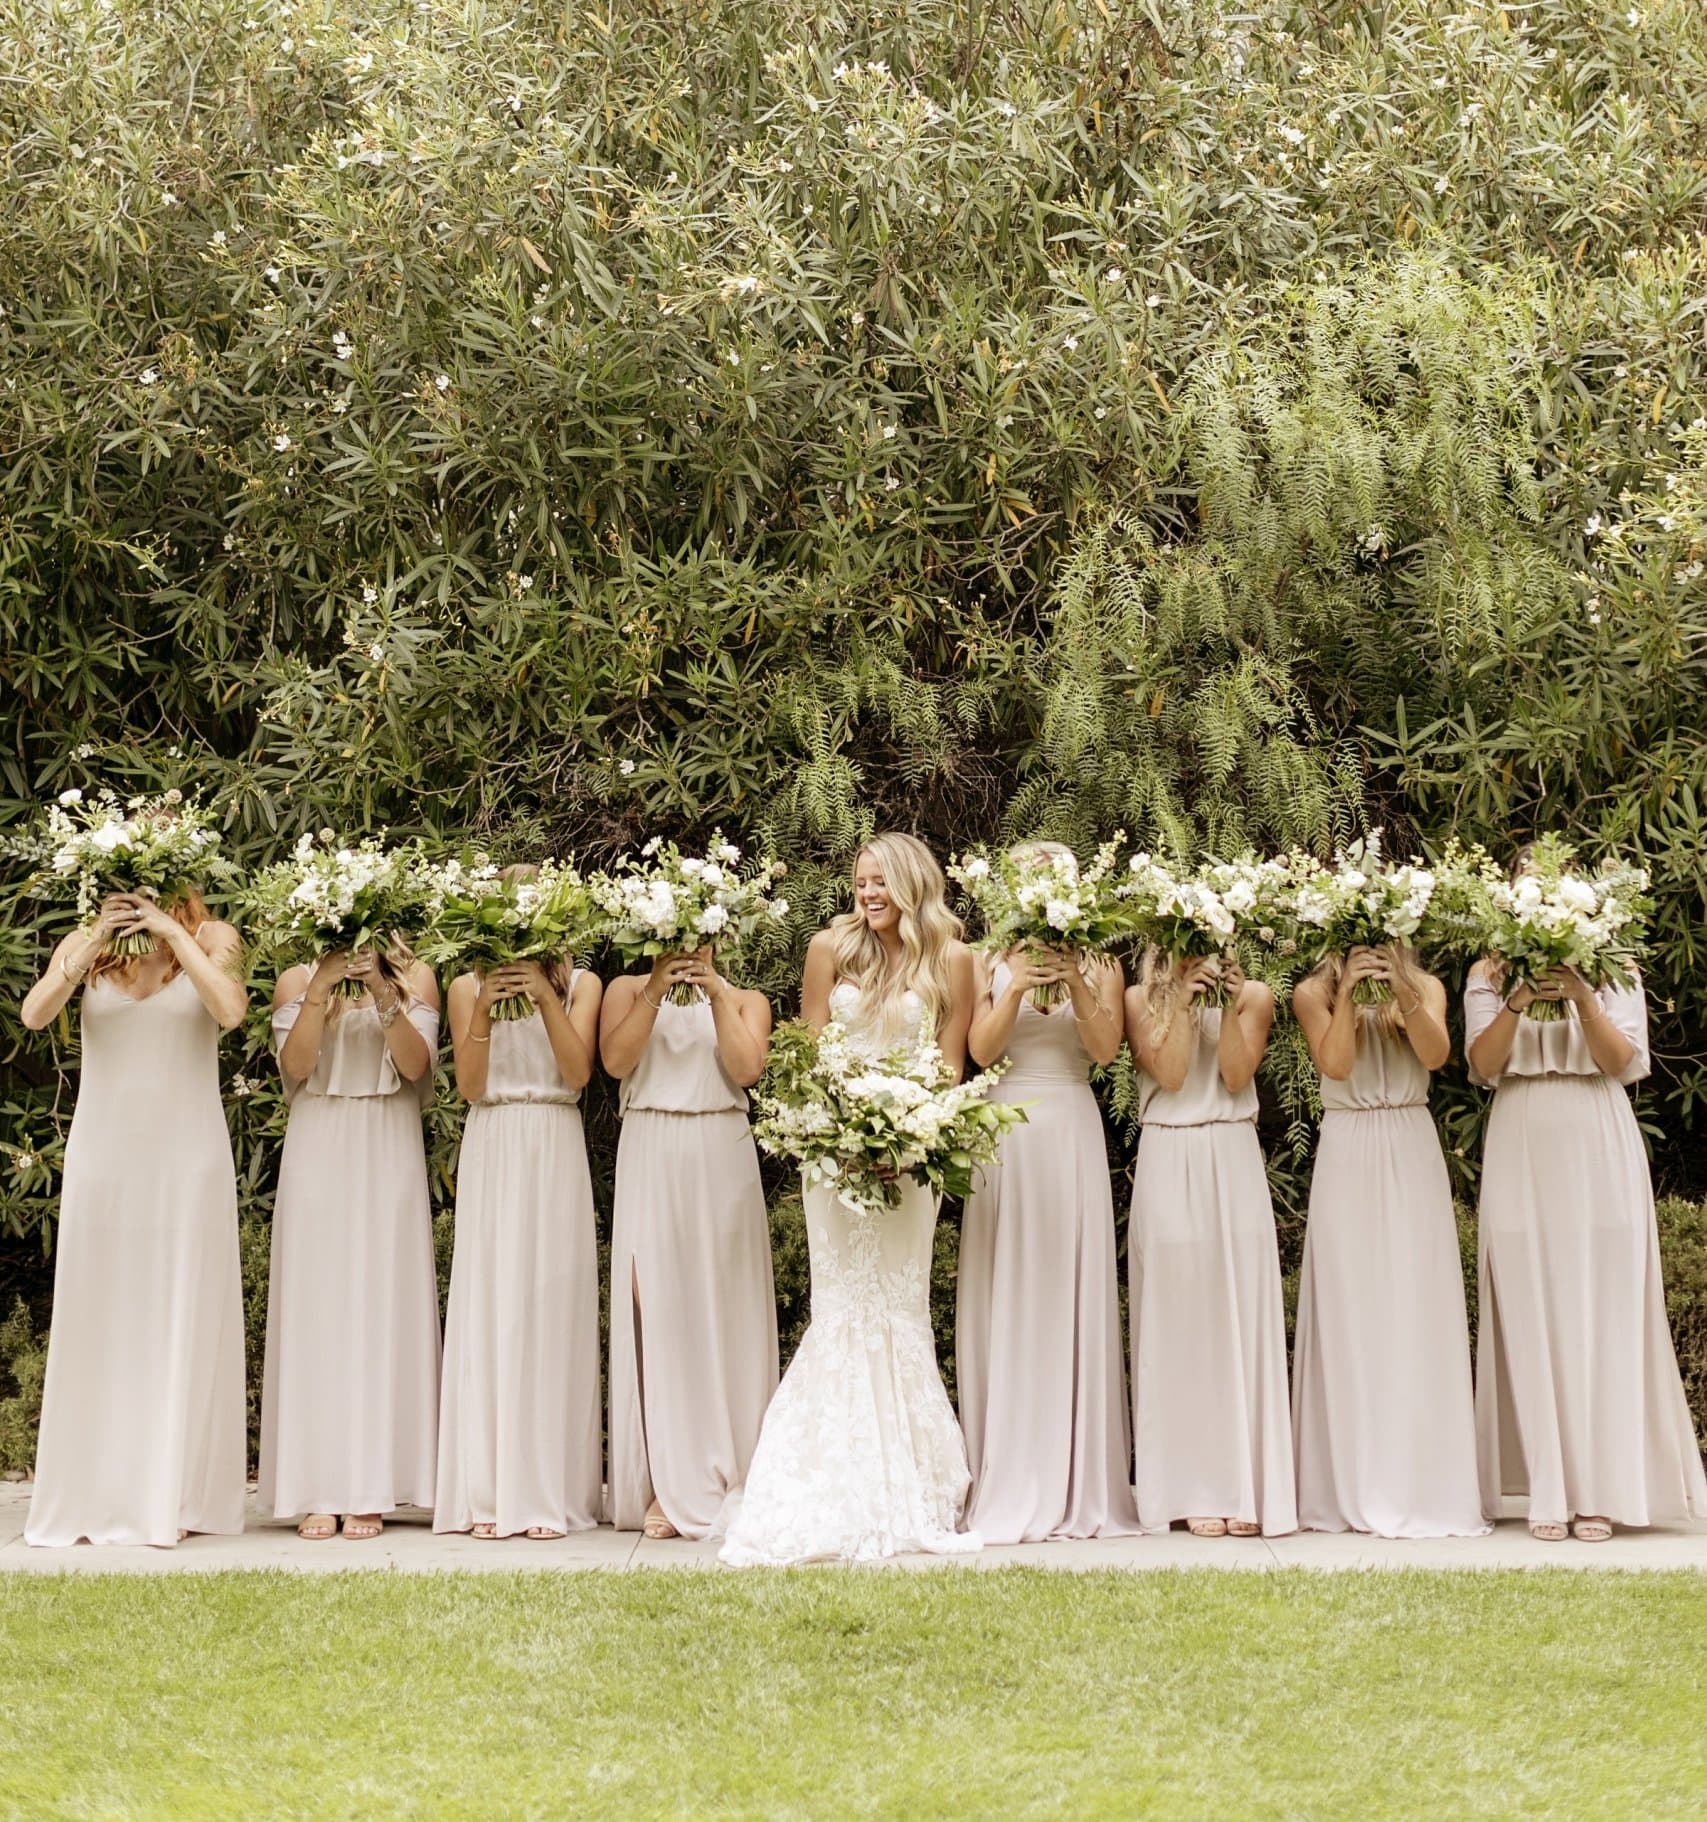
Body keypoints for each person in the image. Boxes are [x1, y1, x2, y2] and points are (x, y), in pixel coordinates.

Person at [721, 831, 981, 1566]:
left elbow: (951, 1063)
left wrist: (911, 1140)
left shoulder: (954, 960)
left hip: (909, 1159)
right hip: (831, 1157)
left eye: (879, 882)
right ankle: (820, 1482)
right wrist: (833, 1133)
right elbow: (810, 1047)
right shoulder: (828, 947)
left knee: (897, 1307)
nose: (866, 893)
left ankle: (910, 1487)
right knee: (840, 1306)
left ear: (910, 884)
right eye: (860, 881)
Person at [1466, 902, 1707, 1541]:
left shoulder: (1614, 966)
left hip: (1597, 1135)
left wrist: (1581, 994)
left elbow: (1623, 1061)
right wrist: (1518, 998)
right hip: (1520, 1136)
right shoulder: (1487, 973)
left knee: (1603, 1308)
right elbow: (1484, 1065)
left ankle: (1601, 1492)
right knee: (1530, 1306)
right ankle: (1548, 1486)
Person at [23, 888, 248, 1547]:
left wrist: (173, 936)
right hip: (106, 1156)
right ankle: (101, 1488)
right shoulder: (85, 945)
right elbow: (37, 1014)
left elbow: (232, 1011)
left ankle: (177, 1492)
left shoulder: (213, 939)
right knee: (106, 1309)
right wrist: (97, 937)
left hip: (187, 1156)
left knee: (181, 1308)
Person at [957, 850, 1138, 1542]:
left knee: (1067, 1284)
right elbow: (979, 1051)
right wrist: (1011, 989)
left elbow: (1104, 1051)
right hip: (1003, 1126)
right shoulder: (984, 957)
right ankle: (1005, 1471)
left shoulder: (1101, 963)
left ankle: (1076, 1479)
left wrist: (1076, 981)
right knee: (1009, 1286)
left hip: (1068, 1125)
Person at [1291, 946, 1486, 1537]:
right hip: (1348, 1143)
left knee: (1415, 1306)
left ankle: (1424, 1481)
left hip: (1408, 1136)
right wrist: (1349, 992)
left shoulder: (1424, 985)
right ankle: (1352, 1480)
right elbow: (1339, 1066)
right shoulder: (1312, 993)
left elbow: (1435, 1054)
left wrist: (1401, 990)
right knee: (1355, 1309)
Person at [258, 938, 441, 1542]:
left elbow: (416, 1069)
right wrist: (321, 989)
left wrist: (383, 993)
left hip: (387, 1143)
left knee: (381, 1305)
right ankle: (317, 1487)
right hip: (318, 1143)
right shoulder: (297, 978)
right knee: (319, 1310)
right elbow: (296, 1067)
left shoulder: (417, 978)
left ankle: (372, 1485)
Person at [434, 920, 604, 1540]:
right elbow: (471, 1085)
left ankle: (545, 1491)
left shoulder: (582, 986)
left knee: (548, 1308)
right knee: (492, 1307)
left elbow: (578, 1073)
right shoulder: (463, 985)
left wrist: (539, 995)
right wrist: (484, 1004)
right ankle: (488, 1491)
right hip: (494, 1138)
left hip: (554, 1141)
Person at [603, 944, 777, 1540]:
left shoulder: (747, 999)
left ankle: (726, 1470)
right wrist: (657, 986)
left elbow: (746, 1068)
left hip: (719, 1150)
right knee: (657, 1310)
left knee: (720, 1311)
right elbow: (615, 1061)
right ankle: (662, 1480)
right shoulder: (626, 989)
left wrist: (716, 992)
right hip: (650, 1144)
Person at [1125, 952, 1295, 1539]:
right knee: (1181, 1322)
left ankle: (1240, 1483)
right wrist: (1183, 1002)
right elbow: (1171, 1075)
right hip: (1170, 1153)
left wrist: (1221, 1003)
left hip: (1232, 1155)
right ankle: (1188, 1484)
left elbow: (1234, 1075)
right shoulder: (1138, 1000)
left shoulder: (1255, 996)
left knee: (1238, 1316)